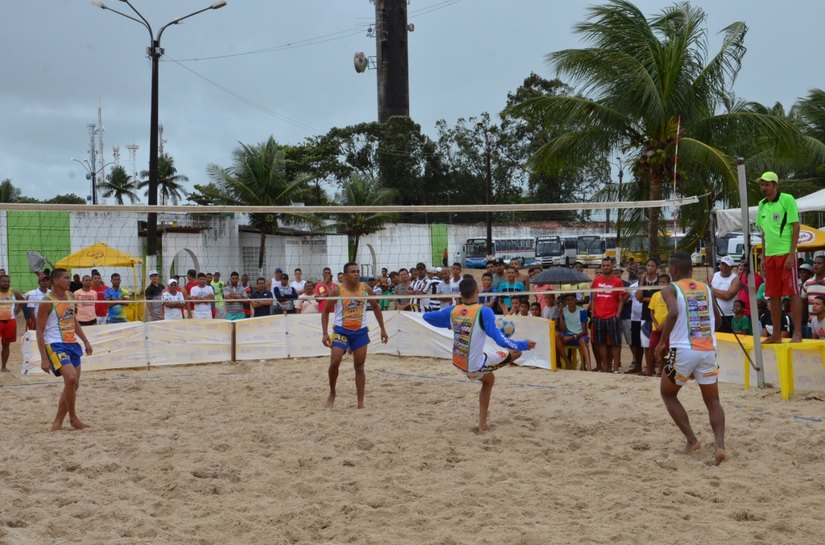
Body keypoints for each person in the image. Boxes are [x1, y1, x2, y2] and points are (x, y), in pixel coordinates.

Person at [423, 276, 536, 432]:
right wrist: (524, 344)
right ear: (477, 291)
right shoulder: (484, 311)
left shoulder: (453, 311)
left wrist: (450, 324)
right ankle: (482, 425)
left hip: (458, 362)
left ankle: (483, 421)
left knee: (489, 379)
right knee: (516, 352)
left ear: (459, 294)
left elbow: (426, 317)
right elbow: (500, 340)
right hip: (474, 365)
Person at [654, 252, 726, 466]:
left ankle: (692, 441)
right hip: (707, 349)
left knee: (667, 394)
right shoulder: (706, 288)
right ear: (691, 270)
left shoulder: (670, 288)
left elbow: (673, 312)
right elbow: (719, 319)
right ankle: (720, 445)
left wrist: (661, 343)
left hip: (683, 350)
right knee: (713, 401)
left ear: (673, 270)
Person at [321, 262, 389, 409]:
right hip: (341, 330)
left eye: (358, 271)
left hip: (360, 331)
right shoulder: (337, 291)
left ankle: (360, 403)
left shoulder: (366, 289)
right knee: (335, 361)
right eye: (353, 272)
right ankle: (332, 393)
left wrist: (383, 329)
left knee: (359, 366)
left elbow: (376, 308)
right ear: (345, 275)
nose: (356, 274)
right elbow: (325, 311)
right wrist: (325, 333)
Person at [36, 268, 94, 432]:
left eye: (69, 277)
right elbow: (39, 330)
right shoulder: (47, 302)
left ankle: (58, 422)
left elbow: (73, 321)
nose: (69, 280)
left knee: (73, 385)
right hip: (55, 344)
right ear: (55, 281)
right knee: (71, 379)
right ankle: (73, 418)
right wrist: (44, 358)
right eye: (66, 278)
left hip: (72, 344)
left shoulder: (70, 296)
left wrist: (86, 341)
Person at [756, 171, 802, 342]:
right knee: (773, 294)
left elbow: (796, 227)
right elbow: (763, 233)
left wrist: (791, 253)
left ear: (775, 185)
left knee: (793, 292)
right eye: (762, 184)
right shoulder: (761, 204)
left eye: (767, 184)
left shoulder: (787, 199)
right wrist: (762, 257)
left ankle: (797, 333)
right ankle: (776, 334)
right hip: (770, 256)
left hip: (785, 253)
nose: (764, 188)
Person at [591, 257, 625, 373]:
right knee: (601, 343)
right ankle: (605, 367)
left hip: (612, 316)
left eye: (608, 265)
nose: (605, 267)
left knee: (615, 343)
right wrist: (593, 315)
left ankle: (615, 368)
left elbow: (621, 300)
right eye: (603, 265)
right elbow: (594, 299)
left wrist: (618, 315)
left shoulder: (617, 281)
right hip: (598, 317)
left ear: (612, 267)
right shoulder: (596, 281)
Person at [557, 292, 592, 371]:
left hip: (579, 336)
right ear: (565, 302)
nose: (570, 302)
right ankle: (568, 362)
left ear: (576, 300)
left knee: (583, 341)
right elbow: (563, 330)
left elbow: (584, 331)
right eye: (568, 300)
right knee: (556, 336)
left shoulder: (581, 311)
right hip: (568, 335)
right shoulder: (564, 310)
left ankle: (589, 367)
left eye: (572, 299)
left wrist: (573, 337)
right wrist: (561, 315)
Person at [0, 274, 24, 372]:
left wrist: (18, 309)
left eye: (8, 281)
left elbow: (22, 300)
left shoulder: (13, 292)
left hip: (10, 321)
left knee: (6, 345)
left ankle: (3, 367)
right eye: (4, 281)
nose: (6, 283)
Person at [710, 256, 741, 333]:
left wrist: (713, 291)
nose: (723, 267)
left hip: (728, 315)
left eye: (726, 265)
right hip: (714, 314)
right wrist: (719, 293)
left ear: (731, 267)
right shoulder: (714, 276)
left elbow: (728, 295)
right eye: (722, 264)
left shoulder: (735, 279)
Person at [801, 255, 825, 338]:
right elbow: (803, 302)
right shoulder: (807, 283)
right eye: (814, 263)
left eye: (819, 263)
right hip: (810, 324)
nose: (815, 265)